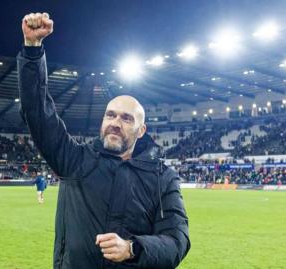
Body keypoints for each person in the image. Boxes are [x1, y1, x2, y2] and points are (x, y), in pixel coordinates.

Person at [18, 12, 190, 268]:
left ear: (141, 130)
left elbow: (177, 241)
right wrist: (32, 50)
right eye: (110, 115)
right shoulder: (74, 160)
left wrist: (132, 248)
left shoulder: (162, 178)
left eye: (126, 118)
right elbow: (37, 112)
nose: (115, 123)